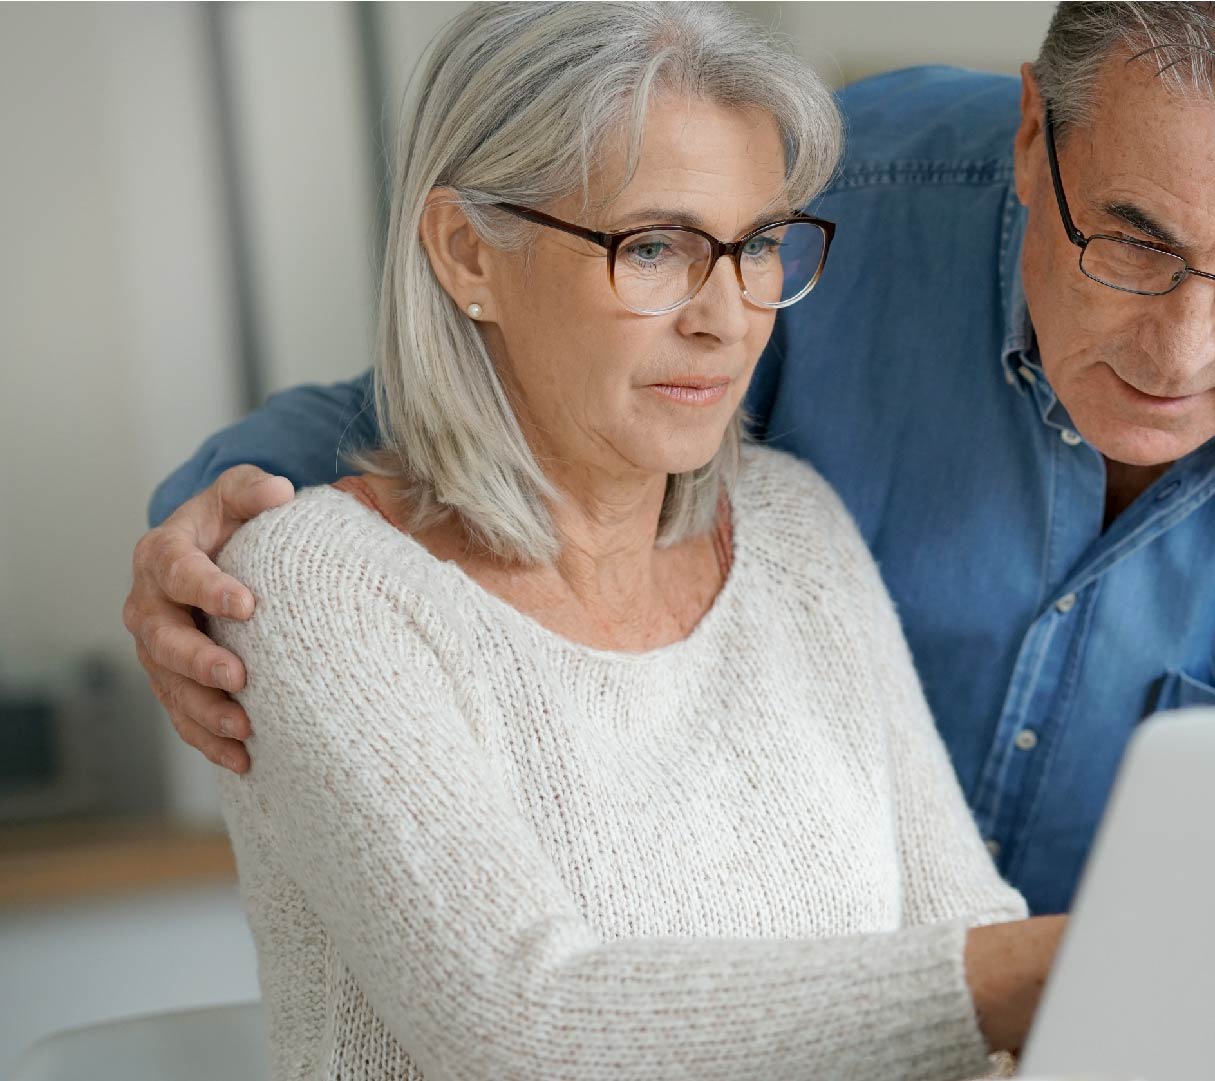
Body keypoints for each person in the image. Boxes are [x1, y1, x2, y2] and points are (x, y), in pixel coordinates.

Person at [128, 1, 1215, 1067]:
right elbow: (502, 406)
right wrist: (218, 530)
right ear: (1038, 141)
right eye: (1135, 241)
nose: (1185, 353)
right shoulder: (858, 209)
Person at [174, 5, 1064, 1079]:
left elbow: (968, 934)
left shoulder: (792, 529)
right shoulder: (321, 587)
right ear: (469, 254)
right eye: (652, 248)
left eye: (761, 246)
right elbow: (521, 1024)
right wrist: (1017, 976)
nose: (728, 314)